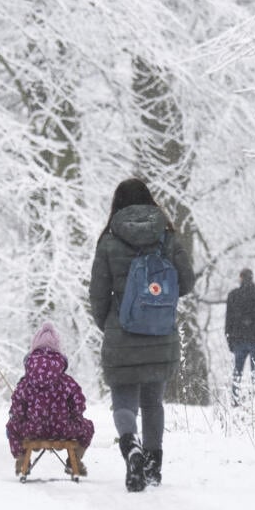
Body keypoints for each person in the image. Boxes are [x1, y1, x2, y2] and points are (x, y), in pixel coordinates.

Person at [89, 178, 195, 492]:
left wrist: (107, 323)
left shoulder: (109, 241)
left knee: (123, 399)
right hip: (160, 331)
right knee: (152, 403)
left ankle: (130, 447)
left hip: (121, 330)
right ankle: (154, 465)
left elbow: (98, 293)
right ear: (150, 201)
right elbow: (186, 283)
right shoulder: (167, 237)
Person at [6, 322, 95, 477]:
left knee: (11, 426)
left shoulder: (26, 381)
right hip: (63, 429)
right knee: (88, 427)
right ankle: (75, 460)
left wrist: (19, 417)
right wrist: (73, 417)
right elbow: (79, 404)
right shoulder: (66, 380)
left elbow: (17, 409)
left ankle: (21, 460)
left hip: (32, 429)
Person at [224, 268, 255, 403]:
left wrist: (230, 341)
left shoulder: (233, 295)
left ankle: (235, 400)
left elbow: (229, 320)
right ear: (252, 278)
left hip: (239, 340)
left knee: (237, 373)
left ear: (241, 277)